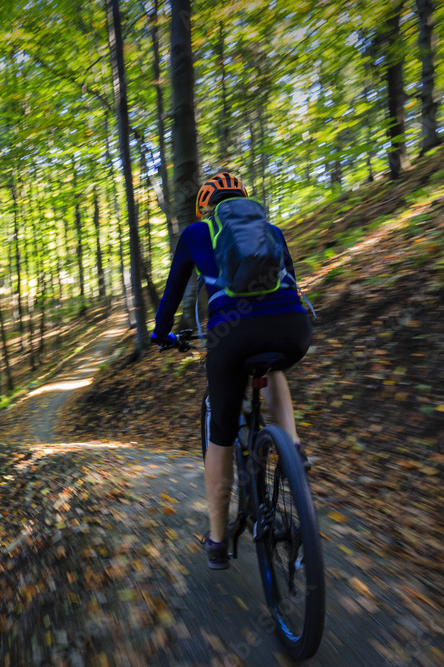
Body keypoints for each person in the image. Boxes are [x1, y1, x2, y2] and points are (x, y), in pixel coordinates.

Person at [151, 171, 313, 570]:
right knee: (275, 366)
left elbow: (173, 294)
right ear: (242, 200)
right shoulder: (270, 230)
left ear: (205, 206)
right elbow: (290, 282)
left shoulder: (195, 233)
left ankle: (218, 541)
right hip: (291, 328)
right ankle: (292, 449)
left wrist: (161, 335)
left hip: (232, 333)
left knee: (221, 435)